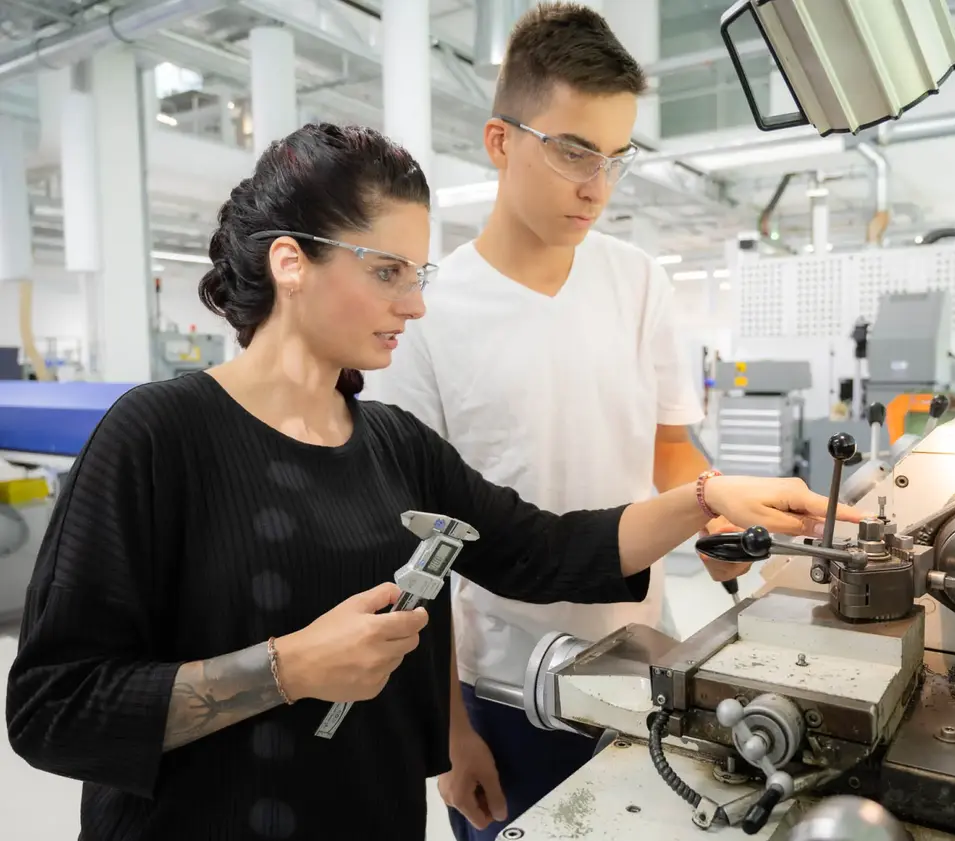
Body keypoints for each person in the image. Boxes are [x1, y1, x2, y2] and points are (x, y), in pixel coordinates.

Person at [4, 123, 862, 841]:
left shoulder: (392, 443)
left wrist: (704, 499)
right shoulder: (157, 437)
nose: (414, 305)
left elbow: (545, 550)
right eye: (388, 272)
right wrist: (288, 667)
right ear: (291, 263)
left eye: (419, 274)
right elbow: (54, 707)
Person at [371, 6, 763, 839]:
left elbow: (667, 447)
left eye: (616, 158)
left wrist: (719, 514)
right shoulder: (426, 314)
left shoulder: (638, 280)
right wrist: (448, 736)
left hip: (644, 661)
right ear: (500, 140)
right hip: (505, 693)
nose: (597, 185)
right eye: (574, 150)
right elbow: (416, 551)